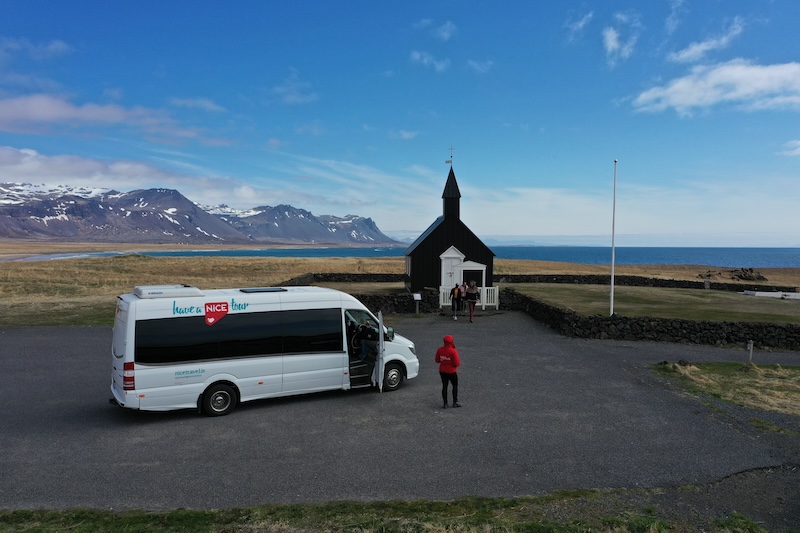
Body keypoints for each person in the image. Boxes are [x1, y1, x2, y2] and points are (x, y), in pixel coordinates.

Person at [435, 334, 461, 408]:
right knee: (454, 386)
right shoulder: (453, 351)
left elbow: (437, 360)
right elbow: (457, 363)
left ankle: (445, 403)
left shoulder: (440, 350)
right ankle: (455, 402)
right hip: (452, 371)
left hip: (442, 371)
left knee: (445, 386)